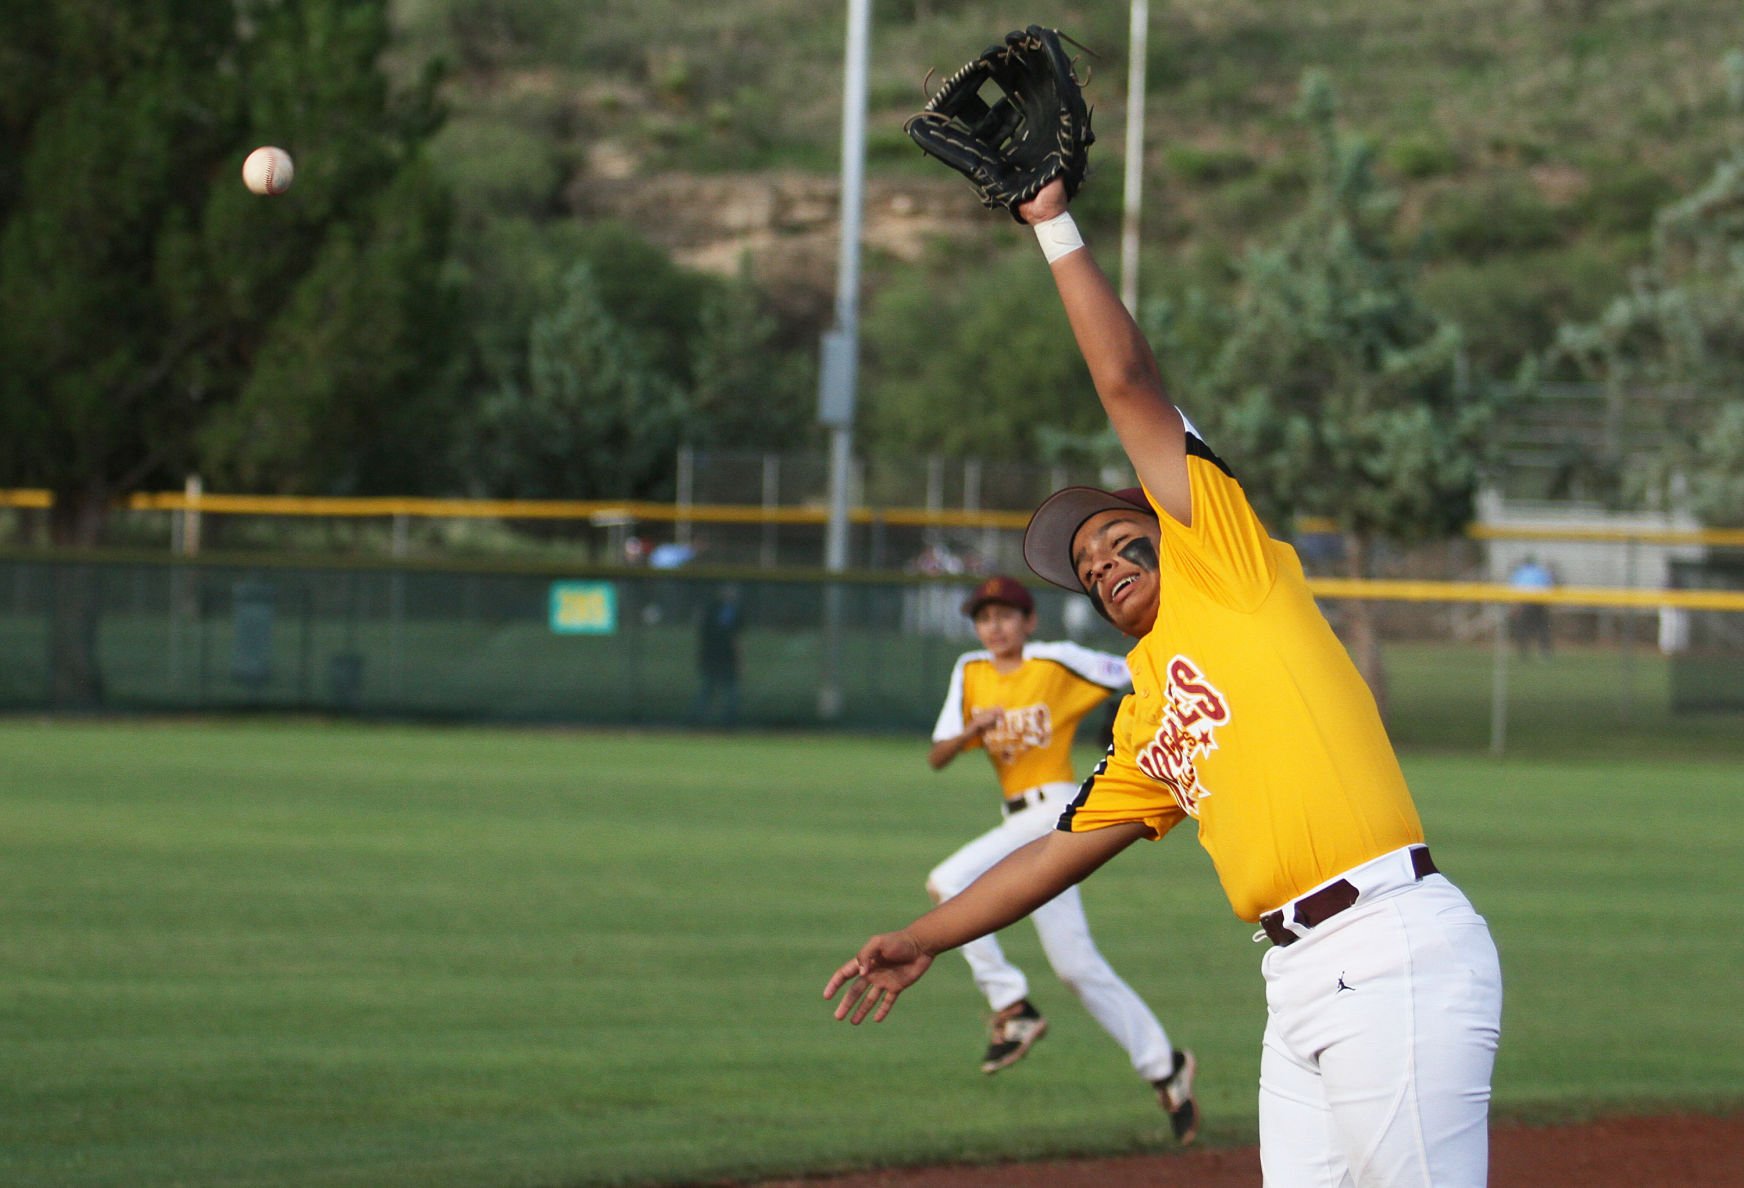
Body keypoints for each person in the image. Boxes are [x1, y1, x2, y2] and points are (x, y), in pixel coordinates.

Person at [824, 178, 1503, 1188]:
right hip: (1298, 982)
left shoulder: (1224, 565)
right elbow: (1055, 853)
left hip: (1392, 946)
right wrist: (923, 936)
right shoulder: (1145, 721)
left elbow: (1126, 383)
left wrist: (1048, 222)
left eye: (1113, 536)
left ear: (1165, 521)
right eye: (1086, 570)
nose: (1100, 563)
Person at [926, 574, 1197, 1142]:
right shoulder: (970, 672)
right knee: (1076, 965)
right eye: (984, 617)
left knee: (948, 881)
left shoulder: (1057, 661)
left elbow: (1133, 669)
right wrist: (970, 730)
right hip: (1020, 822)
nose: (994, 626)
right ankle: (1165, 1066)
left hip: (1059, 808)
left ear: (1029, 622)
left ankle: (1012, 1005)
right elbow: (938, 756)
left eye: (1006, 615)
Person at [690, 583, 742, 726]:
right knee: (707, 690)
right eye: (728, 591)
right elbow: (702, 631)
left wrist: (738, 659)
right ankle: (698, 720)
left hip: (727, 658)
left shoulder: (735, 611)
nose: (731, 594)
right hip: (712, 656)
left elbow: (736, 638)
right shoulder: (712, 608)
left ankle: (729, 721)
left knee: (730, 692)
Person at [1507, 554, 1555, 658]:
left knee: (1522, 627)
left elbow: (1515, 588)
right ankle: (1545, 652)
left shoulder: (1520, 572)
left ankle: (1523, 652)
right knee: (1542, 627)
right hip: (1539, 602)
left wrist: (1514, 605)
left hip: (1525, 602)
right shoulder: (1541, 571)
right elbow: (1549, 586)